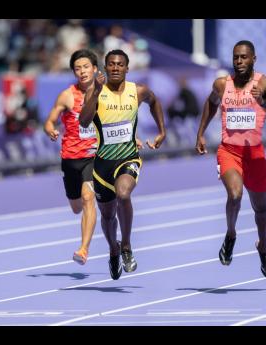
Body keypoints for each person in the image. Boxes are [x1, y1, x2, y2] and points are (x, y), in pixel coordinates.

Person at [195, 40, 266, 279]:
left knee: (261, 209)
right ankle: (231, 235)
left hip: (255, 155)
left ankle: (263, 247)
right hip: (229, 152)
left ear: (253, 59)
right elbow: (210, 104)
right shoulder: (221, 85)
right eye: (236, 57)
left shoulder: (265, 83)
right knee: (235, 194)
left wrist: (263, 102)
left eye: (244, 57)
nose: (239, 61)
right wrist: (201, 133)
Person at [80, 49, 166, 280]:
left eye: (120, 64)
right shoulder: (95, 91)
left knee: (124, 194)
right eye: (111, 64)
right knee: (108, 217)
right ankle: (114, 249)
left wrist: (161, 131)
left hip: (128, 157)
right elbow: (84, 121)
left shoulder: (137, 91)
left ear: (127, 68)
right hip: (102, 167)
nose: (116, 68)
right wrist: (97, 92)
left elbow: (155, 101)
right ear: (105, 69)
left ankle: (126, 245)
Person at [44, 49, 99, 265]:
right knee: (76, 206)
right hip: (70, 158)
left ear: (95, 69)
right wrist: (50, 129)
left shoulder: (104, 95)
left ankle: (84, 249)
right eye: (78, 68)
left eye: (86, 67)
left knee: (88, 198)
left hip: (93, 155)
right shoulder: (67, 95)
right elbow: (49, 120)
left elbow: (118, 120)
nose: (82, 71)